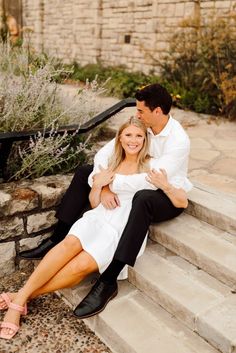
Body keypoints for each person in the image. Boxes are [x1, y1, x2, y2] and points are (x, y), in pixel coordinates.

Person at [0, 117, 188, 340]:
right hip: (99, 217)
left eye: (139, 136)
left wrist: (165, 185)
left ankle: (20, 296)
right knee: (69, 244)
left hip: (121, 225)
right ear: (120, 137)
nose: (134, 140)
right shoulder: (109, 164)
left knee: (81, 265)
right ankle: (18, 302)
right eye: (128, 135)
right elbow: (94, 202)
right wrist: (99, 185)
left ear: (145, 140)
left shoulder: (153, 165)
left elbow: (181, 201)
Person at [19, 83, 192, 319]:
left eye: (141, 110)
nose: (137, 114)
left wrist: (110, 183)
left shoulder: (178, 139)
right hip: (134, 181)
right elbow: (103, 155)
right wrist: (101, 183)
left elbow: (150, 180)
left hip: (166, 193)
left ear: (158, 111)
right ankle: (58, 237)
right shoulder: (143, 126)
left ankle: (109, 279)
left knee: (142, 199)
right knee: (84, 172)